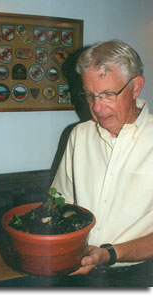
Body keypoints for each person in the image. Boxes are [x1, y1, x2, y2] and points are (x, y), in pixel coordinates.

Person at [51, 40, 153, 275]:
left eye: (108, 94)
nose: (96, 107)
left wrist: (109, 254)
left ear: (136, 87)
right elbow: (60, 201)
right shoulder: (79, 135)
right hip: (81, 268)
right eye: (90, 95)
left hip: (141, 274)